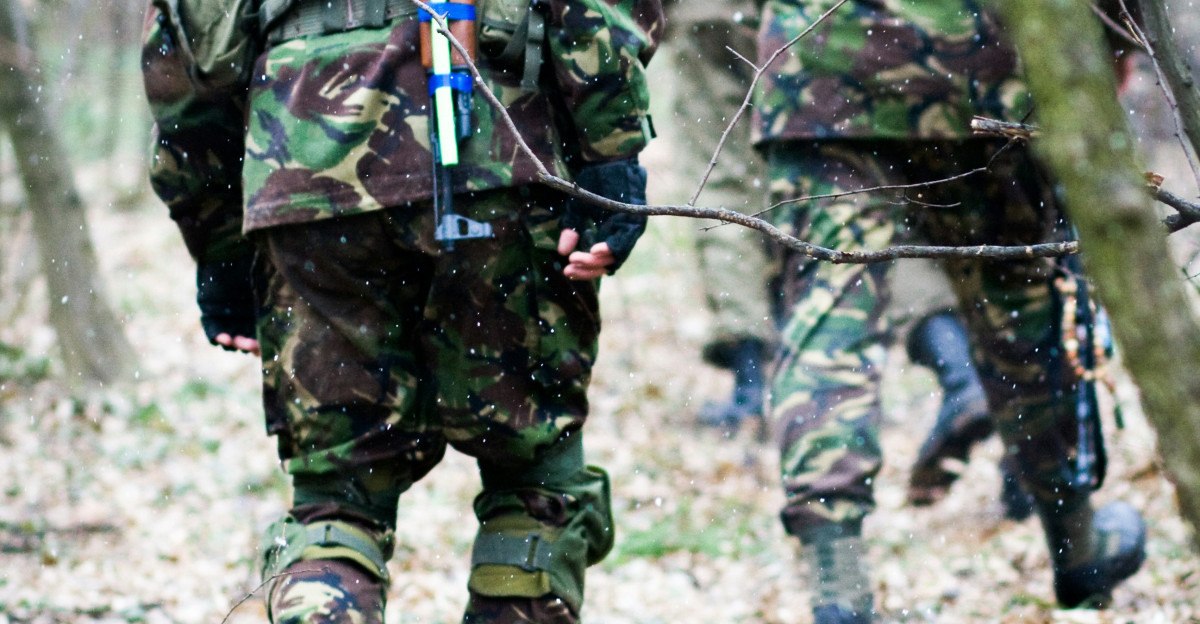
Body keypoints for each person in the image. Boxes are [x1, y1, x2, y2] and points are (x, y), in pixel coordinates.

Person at [141, 0, 662, 621]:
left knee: (336, 502)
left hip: (307, 176)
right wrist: (612, 149)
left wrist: (221, 245)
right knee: (534, 477)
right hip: (497, 160)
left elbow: (180, 64)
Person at [752, 0, 1146, 621]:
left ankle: (839, 589)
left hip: (821, 60)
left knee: (831, 311)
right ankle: (1077, 543)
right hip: (982, 63)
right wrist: (1112, 39)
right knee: (1019, 297)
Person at [657, 0, 776, 431]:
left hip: (708, 15)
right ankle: (804, 377)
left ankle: (751, 386)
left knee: (722, 190)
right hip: (798, 21)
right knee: (788, 182)